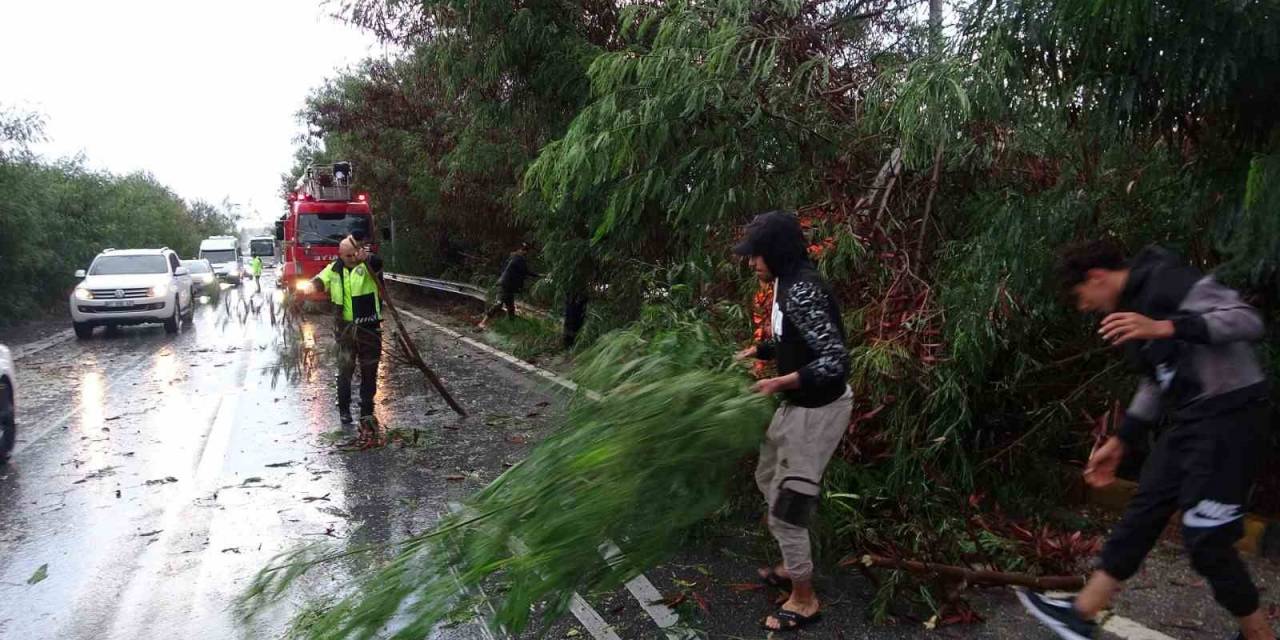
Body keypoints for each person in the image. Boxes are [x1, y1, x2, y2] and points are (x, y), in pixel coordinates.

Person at [1017, 240, 1274, 640]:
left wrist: (1167, 325)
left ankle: (1259, 635)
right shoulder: (1129, 315)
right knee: (1144, 510)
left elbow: (1247, 320)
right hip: (1190, 419)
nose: (1084, 308)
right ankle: (1081, 614)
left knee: (1207, 541)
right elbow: (1156, 381)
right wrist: (1122, 440)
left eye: (1080, 298)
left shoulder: (1166, 281)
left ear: (1097, 277)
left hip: (1231, 415)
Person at [731, 210, 852, 633]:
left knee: (787, 507)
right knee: (767, 475)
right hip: (795, 403)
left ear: (777, 253)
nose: (752, 264)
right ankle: (790, 560)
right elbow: (792, 337)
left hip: (818, 412)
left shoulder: (804, 289)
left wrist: (780, 381)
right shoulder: (783, 282)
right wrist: (760, 351)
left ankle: (804, 599)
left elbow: (836, 361)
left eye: (756, 256)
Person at [309, 235, 384, 427]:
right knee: (344, 372)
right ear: (340, 255)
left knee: (369, 371)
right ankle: (344, 410)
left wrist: (366, 258)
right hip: (345, 330)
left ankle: (367, 411)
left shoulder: (367, 266)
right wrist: (310, 287)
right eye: (347, 256)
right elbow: (320, 280)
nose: (352, 258)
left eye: (354, 254)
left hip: (369, 328)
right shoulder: (334, 269)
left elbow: (378, 262)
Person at [479, 243, 539, 329]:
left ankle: (511, 327)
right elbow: (526, 271)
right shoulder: (518, 259)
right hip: (505, 285)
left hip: (508, 286)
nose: (525, 252)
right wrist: (539, 275)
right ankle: (483, 322)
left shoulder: (513, 258)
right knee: (499, 304)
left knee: (510, 308)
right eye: (524, 250)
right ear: (522, 251)